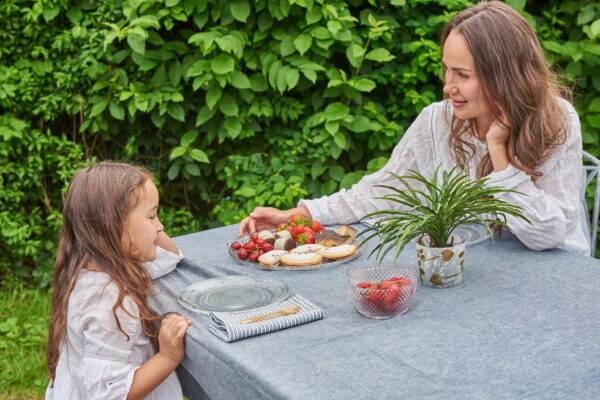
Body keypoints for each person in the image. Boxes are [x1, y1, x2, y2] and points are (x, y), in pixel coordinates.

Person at [239, 1, 590, 256]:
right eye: (446, 70)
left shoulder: (556, 120)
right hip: (474, 273)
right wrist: (302, 213)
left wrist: (499, 153)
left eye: (462, 75)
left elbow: (548, 235)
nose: (447, 86)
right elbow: (381, 191)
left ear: (506, 77)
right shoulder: (438, 120)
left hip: (554, 280)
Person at [45, 161, 191, 399]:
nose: (161, 226)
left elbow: (170, 257)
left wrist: (149, 226)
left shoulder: (108, 263)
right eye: (152, 216)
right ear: (113, 226)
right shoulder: (108, 300)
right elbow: (108, 394)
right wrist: (168, 357)